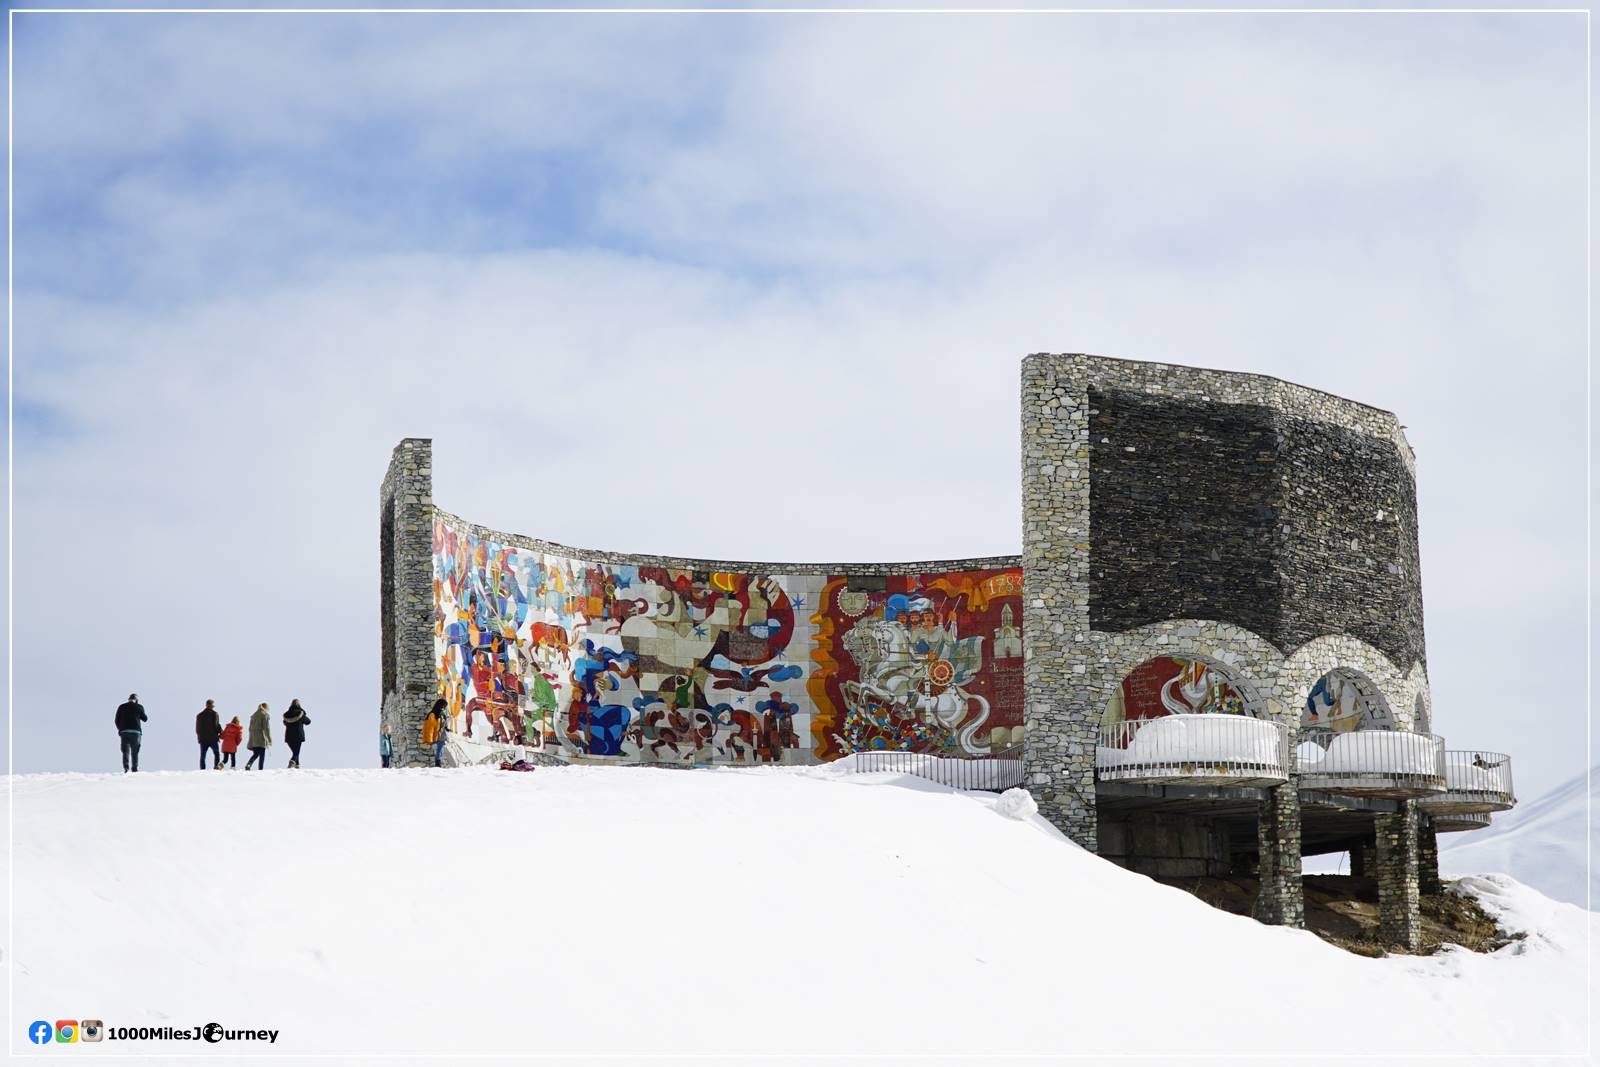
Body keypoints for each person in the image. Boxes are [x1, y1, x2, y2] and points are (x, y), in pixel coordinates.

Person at [115, 693, 147, 773]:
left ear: (128, 699)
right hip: (136, 732)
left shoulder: (122, 706)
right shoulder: (139, 707)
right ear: (136, 700)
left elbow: (116, 720)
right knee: (135, 751)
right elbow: (145, 719)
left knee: (125, 751)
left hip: (124, 732)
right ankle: (134, 769)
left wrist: (120, 729)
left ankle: (126, 768)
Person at [283, 699, 311, 768]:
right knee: (296, 753)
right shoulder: (300, 713)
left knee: (295, 752)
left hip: (289, 737)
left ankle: (297, 766)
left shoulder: (287, 714)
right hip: (298, 735)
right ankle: (292, 763)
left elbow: (284, 723)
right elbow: (308, 721)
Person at [196, 700, 223, 770]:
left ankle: (202, 769)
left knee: (203, 755)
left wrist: (199, 737)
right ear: (212, 706)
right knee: (216, 753)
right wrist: (221, 732)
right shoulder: (214, 714)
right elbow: (216, 726)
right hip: (213, 738)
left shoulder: (199, 715)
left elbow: (197, 729)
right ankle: (216, 767)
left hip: (203, 739)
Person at [421, 699, 447, 767]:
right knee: (439, 750)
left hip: (442, 735)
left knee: (441, 751)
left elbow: (443, 724)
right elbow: (430, 727)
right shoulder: (433, 714)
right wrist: (429, 739)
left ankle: (438, 764)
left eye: (444, 706)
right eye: (443, 706)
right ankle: (437, 765)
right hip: (437, 736)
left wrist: (447, 728)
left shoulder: (442, 714)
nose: (444, 708)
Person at [245, 703, 272, 769]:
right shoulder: (264, 715)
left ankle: (249, 764)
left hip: (253, 737)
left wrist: (251, 739)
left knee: (256, 754)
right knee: (262, 754)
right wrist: (269, 739)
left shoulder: (253, 715)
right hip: (261, 736)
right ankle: (260, 769)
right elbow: (266, 728)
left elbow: (250, 728)